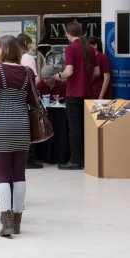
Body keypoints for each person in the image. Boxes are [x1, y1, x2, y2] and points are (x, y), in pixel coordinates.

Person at [0, 35, 36, 237]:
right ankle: (17, 221)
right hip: (22, 126)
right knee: (19, 174)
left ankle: (6, 222)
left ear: (5, 50)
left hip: (1, 125)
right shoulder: (27, 72)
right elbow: (33, 100)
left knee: (3, 173)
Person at [54, 21, 99, 170]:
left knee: (74, 128)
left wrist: (59, 76)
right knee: (86, 127)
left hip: (74, 93)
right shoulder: (90, 49)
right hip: (88, 93)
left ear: (68, 33)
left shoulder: (70, 48)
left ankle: (75, 160)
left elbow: (69, 71)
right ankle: (88, 158)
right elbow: (97, 72)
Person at [17, 33, 42, 169]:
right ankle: (30, 159)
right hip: (27, 98)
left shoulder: (12, 58)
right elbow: (35, 80)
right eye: (30, 43)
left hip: (15, 98)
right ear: (26, 43)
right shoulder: (28, 58)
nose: (31, 46)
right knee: (31, 126)